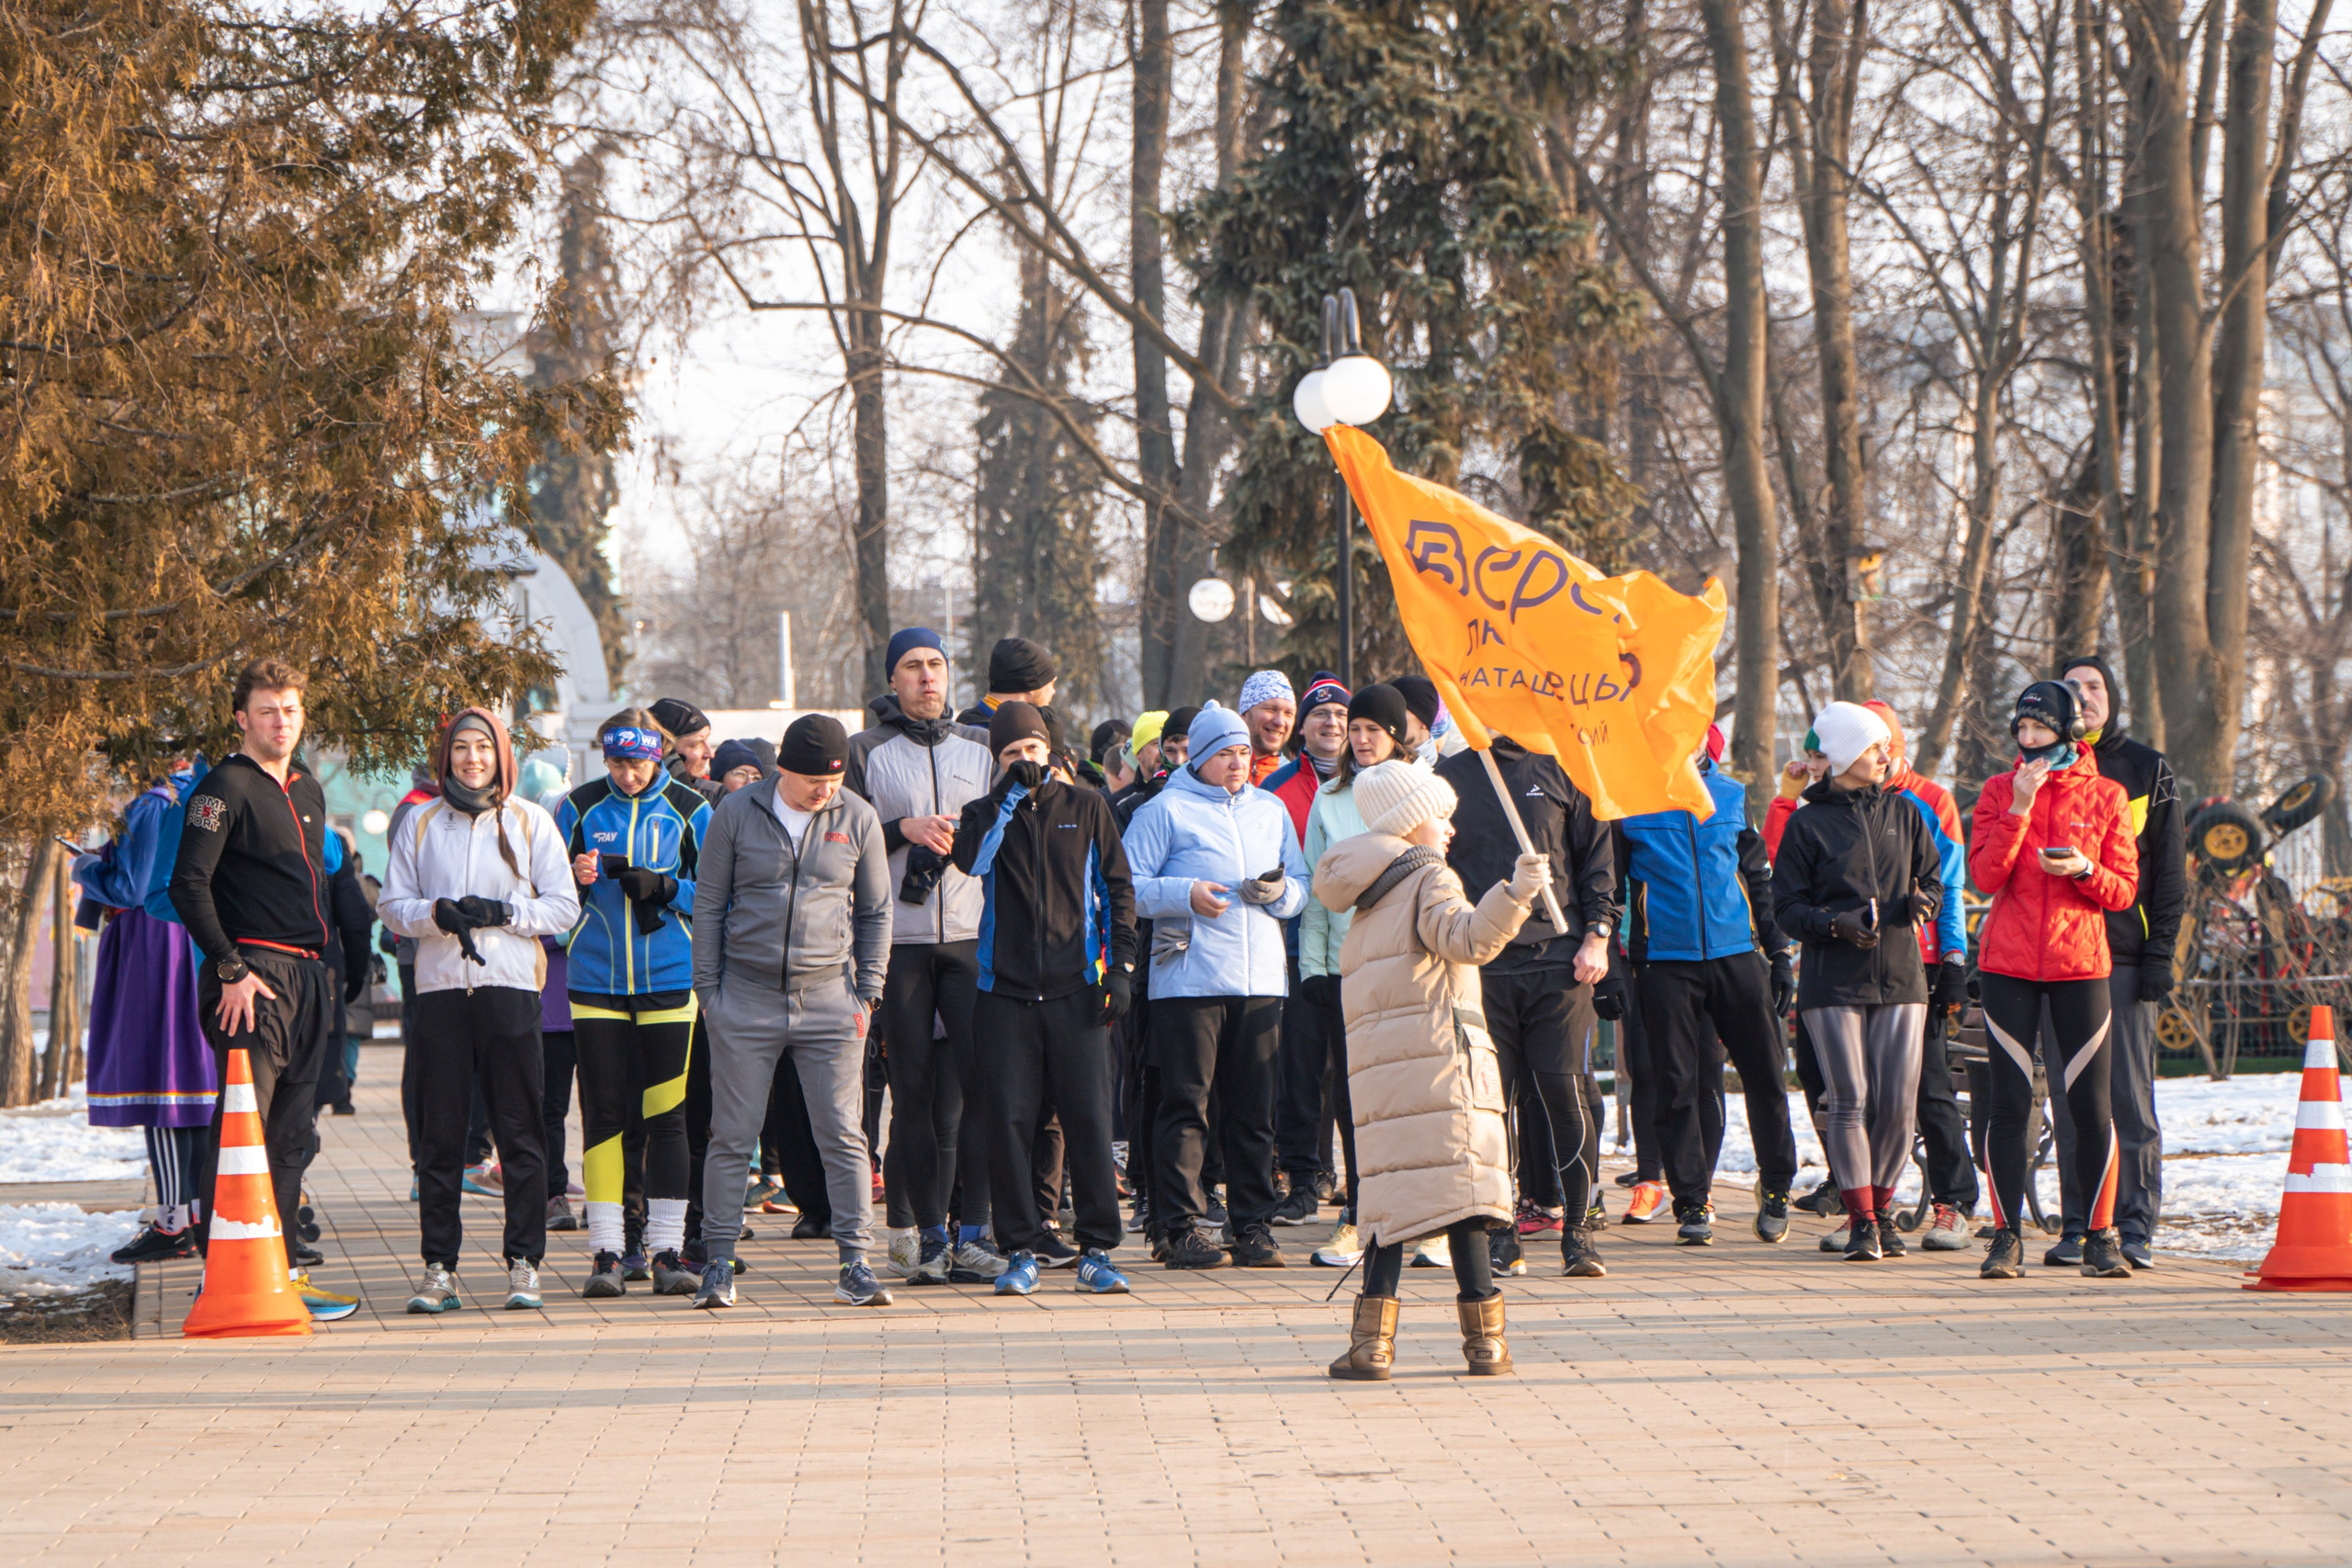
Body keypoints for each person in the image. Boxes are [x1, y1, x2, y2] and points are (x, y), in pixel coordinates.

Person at [1314, 761, 1552, 1380]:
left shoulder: (1369, 897)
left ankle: (1372, 1345)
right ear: (1407, 821)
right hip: (1442, 1065)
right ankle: (1487, 1344)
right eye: (1439, 814)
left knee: (1394, 1199)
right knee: (1464, 1199)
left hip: (1389, 1079)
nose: (1450, 827)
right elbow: (1468, 938)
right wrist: (1517, 893)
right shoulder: (1429, 877)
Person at [167, 658, 358, 1316]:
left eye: (292, 710)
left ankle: (274, 1272)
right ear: (243, 717)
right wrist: (228, 966)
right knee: (241, 1133)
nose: (283, 721)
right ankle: (221, 1271)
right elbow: (187, 884)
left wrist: (336, 965)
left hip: (307, 978)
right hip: (249, 977)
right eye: (270, 710)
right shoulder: (222, 787)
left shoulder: (306, 788)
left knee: (291, 1137)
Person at [690, 714, 894, 1309]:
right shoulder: (736, 811)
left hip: (832, 998)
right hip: (744, 998)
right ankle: (718, 1262)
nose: (822, 791)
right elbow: (708, 904)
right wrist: (711, 993)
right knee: (732, 1134)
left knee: (843, 1134)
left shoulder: (857, 816)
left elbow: (876, 912)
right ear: (784, 767)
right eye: (811, 780)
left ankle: (855, 1262)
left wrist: (868, 994)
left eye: (832, 780)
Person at [379, 708, 578, 1312]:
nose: (471, 759)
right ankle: (439, 1267)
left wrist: (505, 913)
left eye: (483, 748)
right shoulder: (419, 821)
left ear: (501, 755)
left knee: (520, 1128)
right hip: (440, 992)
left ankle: (524, 1261)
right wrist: (435, 914)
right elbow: (392, 904)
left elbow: (565, 906)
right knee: (441, 1135)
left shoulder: (531, 821)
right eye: (461, 748)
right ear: (445, 755)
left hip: (511, 990)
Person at [948, 701, 1139, 1296]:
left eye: (1030, 751)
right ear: (997, 761)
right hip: (1001, 993)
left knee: (1087, 1117)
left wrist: (1122, 967)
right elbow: (970, 861)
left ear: (1049, 751)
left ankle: (1098, 1248)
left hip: (1076, 988)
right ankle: (1019, 1249)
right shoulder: (983, 812)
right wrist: (1008, 797)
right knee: (1008, 1121)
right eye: (1010, 754)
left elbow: (1118, 890)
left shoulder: (1086, 807)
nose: (1023, 761)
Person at [1123, 703, 1309, 1269]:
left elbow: (1301, 884)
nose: (1236, 762)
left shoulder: (1270, 810)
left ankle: (1253, 1225)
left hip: (1260, 981)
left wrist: (1279, 896)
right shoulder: (1165, 810)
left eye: (1243, 752)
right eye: (1225, 752)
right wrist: (1186, 894)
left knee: (1254, 1110)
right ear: (1199, 757)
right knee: (1187, 1106)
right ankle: (1178, 1226)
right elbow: (1127, 886)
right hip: (1188, 979)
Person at [844, 626, 1003, 1288]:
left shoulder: (982, 746)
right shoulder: (866, 750)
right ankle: (924, 1233)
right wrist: (900, 830)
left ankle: (975, 1232)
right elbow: (840, 839)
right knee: (911, 1096)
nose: (927, 678)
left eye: (936, 665)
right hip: (900, 944)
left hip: (969, 938)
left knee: (977, 1094)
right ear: (892, 679)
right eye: (913, 667)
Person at [1968, 680, 2141, 1280]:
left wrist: (2085, 868)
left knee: (2091, 1104)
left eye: (2039, 728)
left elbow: (2123, 890)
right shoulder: (1997, 791)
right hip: (2007, 966)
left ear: (2067, 731)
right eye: (2021, 728)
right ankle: (2006, 1237)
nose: (2028, 738)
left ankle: (2100, 1234)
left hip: (2081, 964)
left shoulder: (2107, 795)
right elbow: (1986, 876)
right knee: (2010, 1103)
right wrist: (2018, 808)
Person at [1433, 733, 1617, 1269]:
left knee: (1565, 1094)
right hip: (1481, 964)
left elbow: (1597, 860)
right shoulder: (1451, 773)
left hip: (1558, 960)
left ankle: (1578, 1231)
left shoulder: (1565, 766)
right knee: (1491, 1104)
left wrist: (1598, 934)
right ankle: (1501, 1231)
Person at [1614, 725, 1799, 1254]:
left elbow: (1759, 880)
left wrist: (1779, 951)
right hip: (1664, 962)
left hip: (1735, 956)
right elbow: (1609, 889)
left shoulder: (1731, 796)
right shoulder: (1629, 802)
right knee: (1676, 1086)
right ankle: (1692, 1201)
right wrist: (1613, 965)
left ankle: (1778, 1186)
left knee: (1766, 1074)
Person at [1770, 701, 1943, 1263]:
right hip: (1833, 980)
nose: (1884, 755)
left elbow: (1934, 881)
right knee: (1849, 1099)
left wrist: (1922, 902)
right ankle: (1862, 1219)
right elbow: (1786, 908)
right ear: (1845, 754)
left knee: (1897, 1103)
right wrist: (1834, 924)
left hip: (1901, 977)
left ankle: (1883, 1209)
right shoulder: (1806, 823)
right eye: (1873, 748)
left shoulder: (1908, 813)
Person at [558, 709, 712, 1297]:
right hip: (596, 977)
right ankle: (606, 1252)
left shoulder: (693, 808)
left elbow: (723, 895)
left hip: (670, 977)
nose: (629, 776)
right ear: (604, 758)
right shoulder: (578, 806)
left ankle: (667, 1249)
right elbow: (549, 889)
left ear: (659, 756)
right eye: (618, 764)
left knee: (666, 1116)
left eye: (640, 763)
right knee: (603, 1113)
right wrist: (576, 876)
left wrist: (668, 888)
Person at [2047, 656, 2185, 1270]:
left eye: (2095, 686)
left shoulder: (2147, 768)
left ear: (2112, 697)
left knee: (2127, 1101)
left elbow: (2172, 874)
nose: (2085, 696)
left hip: (2127, 960)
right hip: (2062, 960)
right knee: (2073, 1101)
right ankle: (2079, 1223)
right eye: (2072, 688)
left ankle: (2133, 1226)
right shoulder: (2039, 771)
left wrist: (2161, 955)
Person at [1296, 683, 1415, 1267]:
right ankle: (1359, 1214)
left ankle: (1430, 1218)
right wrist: (1314, 967)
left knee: (1415, 1097)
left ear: (1397, 736)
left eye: (1373, 729)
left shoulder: (1425, 795)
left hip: (1413, 970)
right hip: (1350, 969)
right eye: (1357, 728)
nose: (1361, 738)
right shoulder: (1330, 797)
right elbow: (1319, 892)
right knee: (1353, 1097)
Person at [80, 761, 215, 1265]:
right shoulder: (201, 794)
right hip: (188, 940)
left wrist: (85, 869)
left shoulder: (153, 804)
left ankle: (173, 1221)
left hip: (152, 946)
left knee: (161, 1085)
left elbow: (133, 888)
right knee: (190, 1092)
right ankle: (191, 1216)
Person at [1861, 701, 1979, 1252]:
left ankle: (1953, 1202)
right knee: (1859, 1092)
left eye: (1880, 744)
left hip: (1922, 962)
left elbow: (1949, 886)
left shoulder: (1931, 800)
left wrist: (1953, 959)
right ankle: (1865, 1209)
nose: (1874, 756)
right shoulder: (1842, 801)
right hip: (1858, 961)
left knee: (1930, 1085)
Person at [1263, 673, 1350, 1224]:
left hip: (1353, 948)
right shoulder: (1276, 789)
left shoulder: (1368, 785)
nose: (1332, 724)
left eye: (1341, 717)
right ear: (1304, 726)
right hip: (1292, 950)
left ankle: (1355, 1179)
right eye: (1321, 715)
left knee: (1350, 1072)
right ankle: (1302, 1178)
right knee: (1299, 1070)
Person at [1112, 705, 1194, 1244]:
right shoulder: (1132, 806)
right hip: (1144, 959)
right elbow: (1121, 883)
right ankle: (1147, 1191)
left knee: (1188, 1083)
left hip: (1198, 961)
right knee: (1148, 1077)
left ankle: (1192, 1194)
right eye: (1173, 747)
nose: (1182, 758)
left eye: (1192, 747)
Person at [956, 636, 1057, 728]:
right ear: (1031, 685)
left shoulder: (965, 727)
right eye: (1052, 684)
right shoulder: (997, 738)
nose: (1053, 691)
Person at [651, 698, 721, 804]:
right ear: (666, 752)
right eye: (697, 744)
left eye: (707, 740)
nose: (710, 754)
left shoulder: (716, 795)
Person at [1237, 669, 1297, 786]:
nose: (1280, 722)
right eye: (1270, 709)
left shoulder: (1293, 781)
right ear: (1245, 714)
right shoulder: (1215, 771)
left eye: (1288, 713)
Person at [1391, 675, 1468, 765]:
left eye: (1399, 711)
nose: (1391, 718)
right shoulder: (1375, 769)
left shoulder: (1452, 772)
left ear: (1423, 718)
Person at [711, 738, 775, 796]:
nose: (750, 783)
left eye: (756, 778)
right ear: (719, 780)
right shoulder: (703, 807)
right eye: (740, 774)